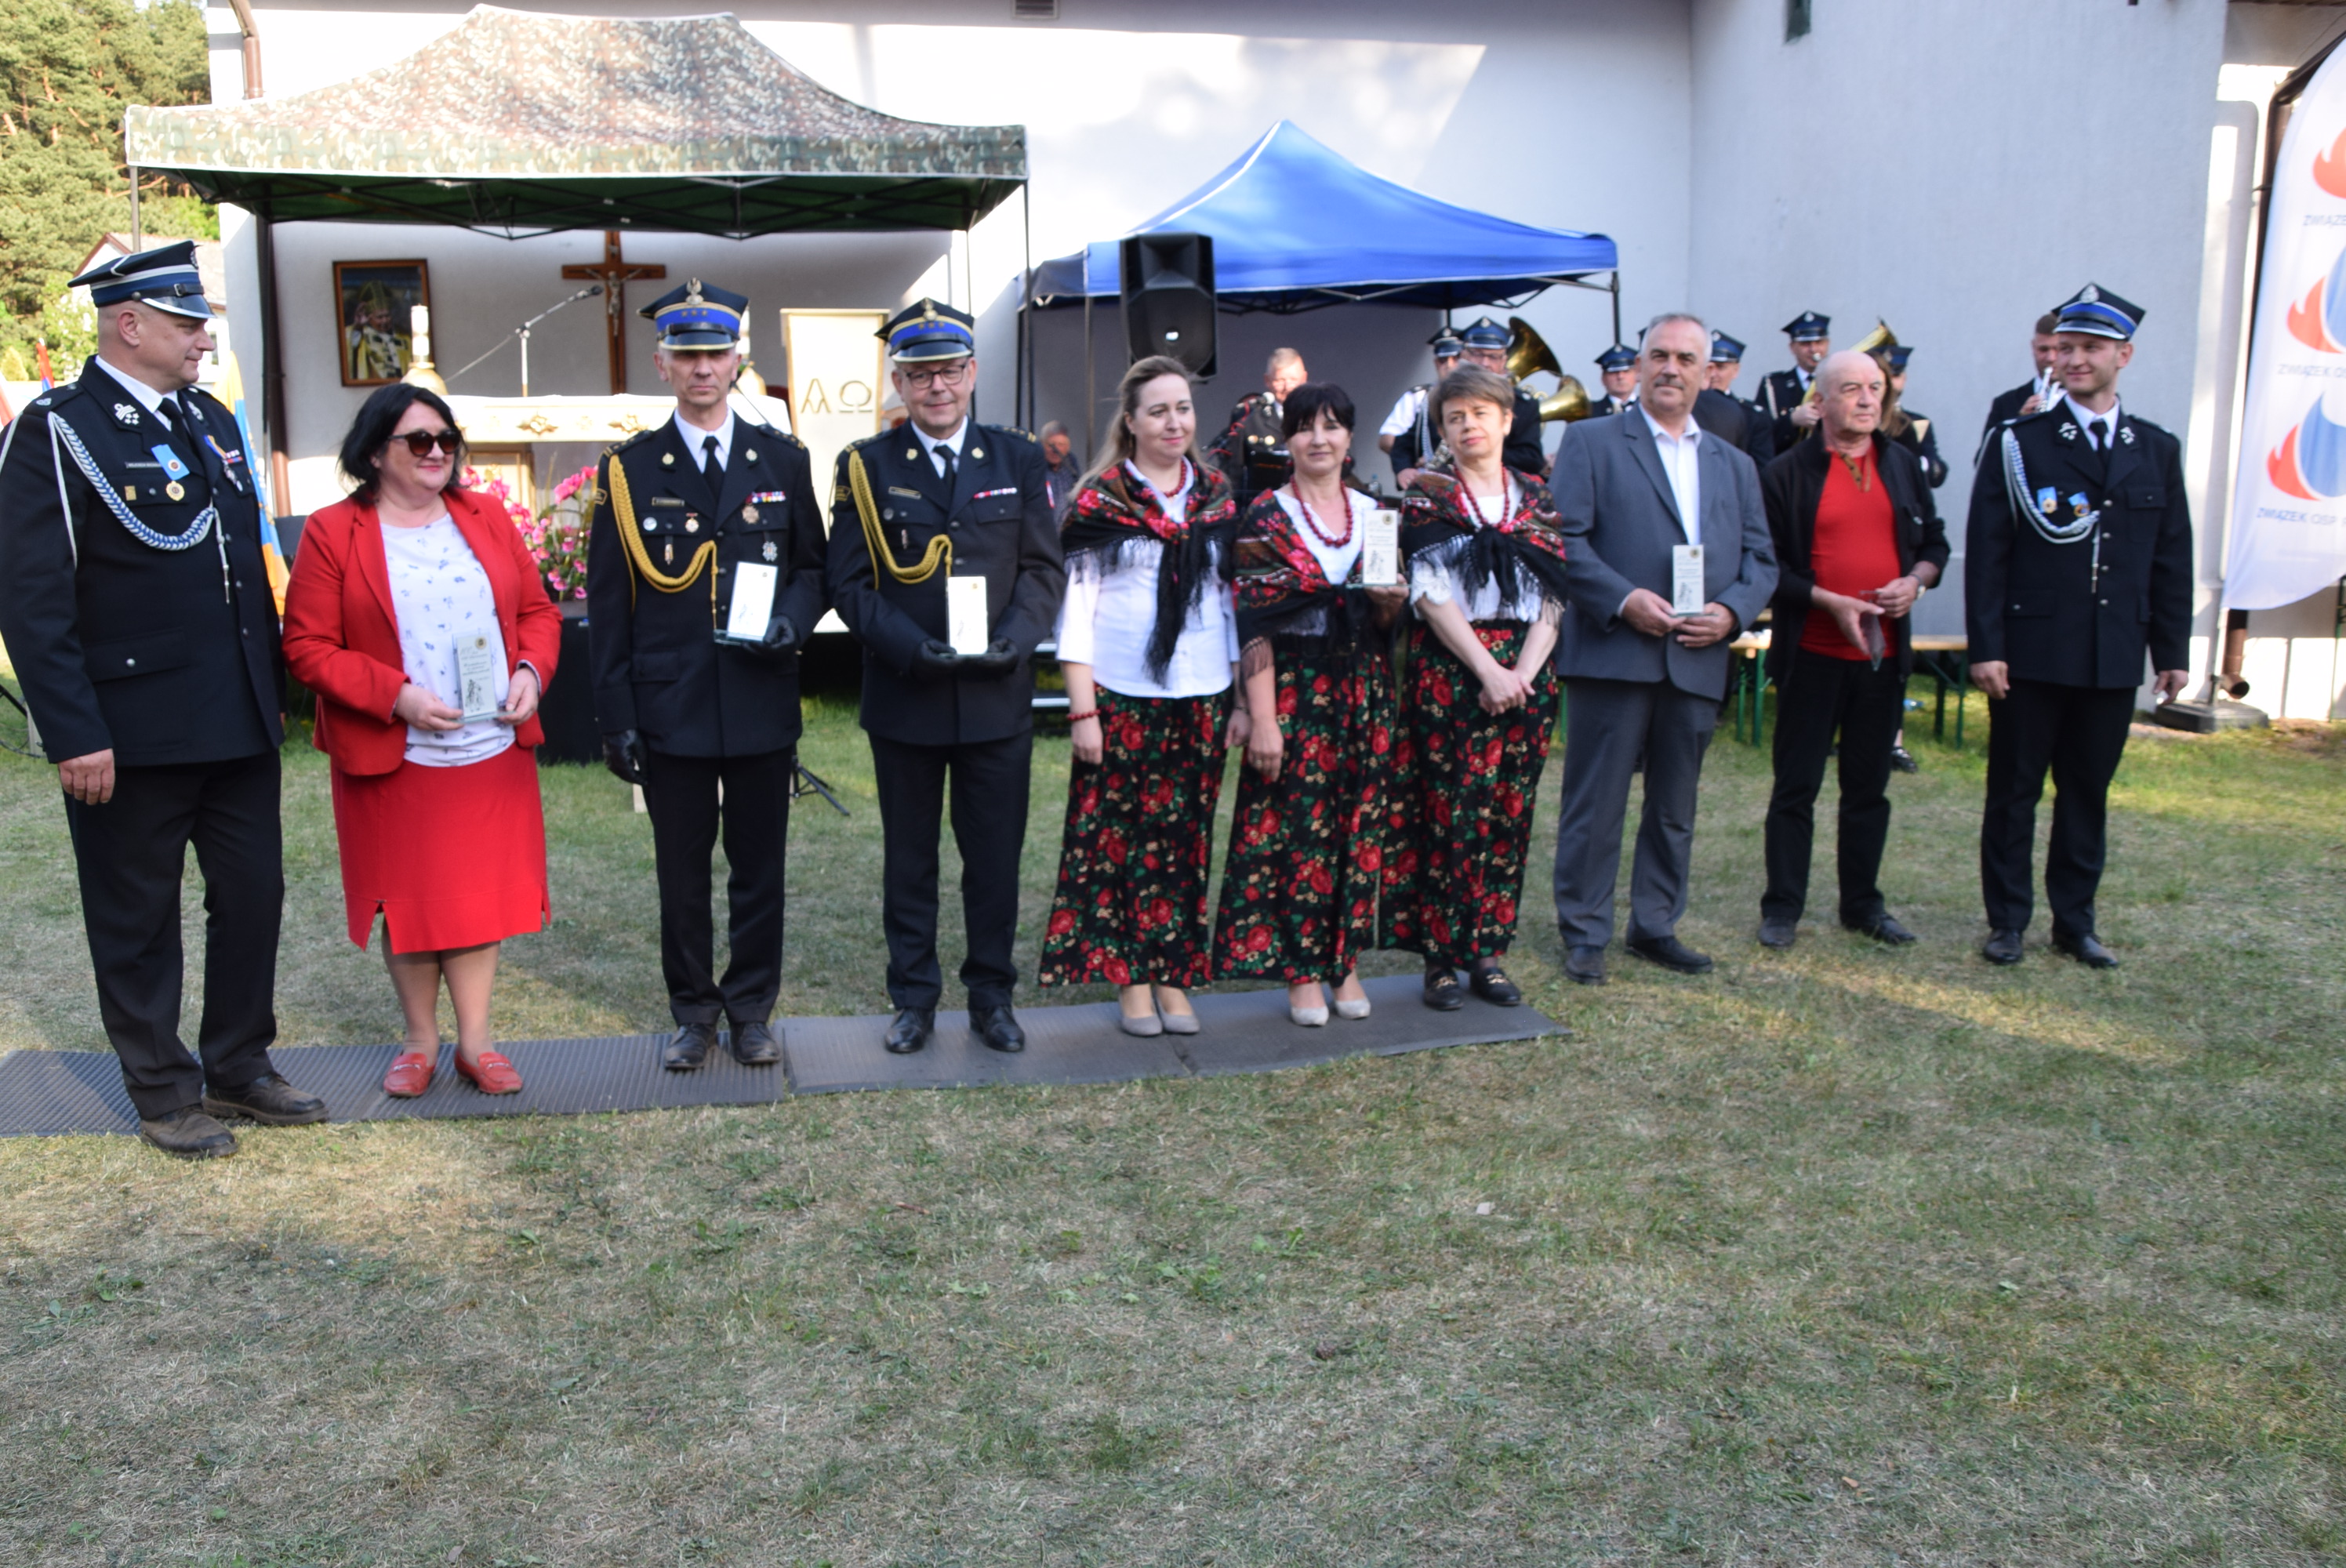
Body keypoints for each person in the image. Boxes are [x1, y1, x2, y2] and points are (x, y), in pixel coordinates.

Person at [0, 241, 324, 1157]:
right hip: (129, 728)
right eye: (187, 322)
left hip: (235, 717)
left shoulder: (208, 418)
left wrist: (272, 693)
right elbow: (32, 596)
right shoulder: (59, 428)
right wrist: (73, 730)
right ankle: (162, 1088)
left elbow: (241, 570)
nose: (202, 338)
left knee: (253, 895)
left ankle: (239, 1062)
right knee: (137, 915)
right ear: (129, 323)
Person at [283, 386, 564, 1097]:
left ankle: (477, 1043)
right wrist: (396, 696)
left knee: (475, 897)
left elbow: (537, 612)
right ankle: (418, 1041)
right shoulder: (332, 531)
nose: (437, 451)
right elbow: (307, 647)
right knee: (408, 899)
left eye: (446, 439)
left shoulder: (487, 515)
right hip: (395, 752)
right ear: (376, 452)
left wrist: (530, 672)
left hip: (488, 744)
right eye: (418, 440)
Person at [586, 279, 828, 1071]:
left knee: (760, 870)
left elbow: (812, 567)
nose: (702, 368)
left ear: (736, 362)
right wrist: (616, 717)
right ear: (662, 364)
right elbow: (610, 602)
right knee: (682, 875)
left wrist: (792, 621)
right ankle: (693, 1012)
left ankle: (751, 1009)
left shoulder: (782, 459)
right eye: (686, 354)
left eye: (716, 354)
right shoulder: (629, 470)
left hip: (759, 696)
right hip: (672, 704)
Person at [827, 299, 1063, 1055]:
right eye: (921, 373)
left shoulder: (1018, 458)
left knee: (993, 860)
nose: (937, 386)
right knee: (911, 861)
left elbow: (1042, 570)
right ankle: (914, 999)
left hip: (996, 696)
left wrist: (1014, 644)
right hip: (908, 695)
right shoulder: (865, 466)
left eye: (950, 371)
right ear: (898, 382)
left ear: (972, 373)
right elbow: (848, 583)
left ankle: (992, 998)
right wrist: (908, 648)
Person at [1548, 313, 1778, 984]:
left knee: (1675, 806)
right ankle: (1585, 931)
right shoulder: (1590, 441)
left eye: (1686, 358)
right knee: (1597, 804)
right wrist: (1624, 600)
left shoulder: (1735, 465)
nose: (1671, 368)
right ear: (1641, 365)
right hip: (1615, 649)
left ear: (1708, 373)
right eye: (1659, 356)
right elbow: (1562, 541)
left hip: (1698, 654)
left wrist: (1731, 613)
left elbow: (1763, 559)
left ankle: (1655, 924)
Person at [1966, 284, 2192, 969]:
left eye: (2090, 348)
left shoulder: (2155, 448)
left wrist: (2171, 650)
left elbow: (2170, 555)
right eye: (2064, 348)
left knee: (2087, 794)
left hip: (2112, 651)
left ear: (2124, 356)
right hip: (2032, 650)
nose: (2074, 360)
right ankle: (2008, 921)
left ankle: (2075, 923)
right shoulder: (2019, 442)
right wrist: (1987, 647)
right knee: (2014, 792)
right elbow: (1989, 552)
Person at [1040, 357, 1244, 1035]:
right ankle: (1131, 979)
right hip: (1121, 695)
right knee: (1121, 841)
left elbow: (1232, 605)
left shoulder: (1217, 498)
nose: (1174, 422)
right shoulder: (1099, 502)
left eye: (1183, 408)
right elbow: (1075, 617)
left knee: (1186, 839)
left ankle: (1174, 975)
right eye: (1158, 411)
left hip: (1203, 691)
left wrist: (1243, 699)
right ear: (1130, 423)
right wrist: (1083, 712)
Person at [1213, 383, 1404, 1025]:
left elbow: (1385, 621)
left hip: (1364, 692)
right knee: (1295, 832)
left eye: (1331, 426)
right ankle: (1300, 972)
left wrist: (1390, 605)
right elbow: (1255, 625)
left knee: (1358, 828)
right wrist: (1264, 719)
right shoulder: (1265, 517)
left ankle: (1343, 963)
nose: (1318, 439)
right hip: (1293, 691)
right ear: (1287, 439)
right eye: (1304, 427)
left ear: (1350, 437)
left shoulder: (1377, 514)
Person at [1385, 365, 1568, 1011]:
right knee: (1449, 814)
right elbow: (1430, 593)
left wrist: (1522, 673)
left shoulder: (1536, 497)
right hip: (1453, 669)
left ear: (1507, 421)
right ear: (1442, 428)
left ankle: (1487, 952)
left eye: (1481, 414)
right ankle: (1439, 958)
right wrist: (1487, 671)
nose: (1469, 426)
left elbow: (1553, 593)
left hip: (1527, 669)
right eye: (1455, 417)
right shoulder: (1429, 496)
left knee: (1508, 814)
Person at [1755, 351, 1948, 951]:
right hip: (1812, 655)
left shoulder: (1904, 465)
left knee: (1868, 789)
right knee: (1796, 788)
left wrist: (1915, 581)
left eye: (1875, 388)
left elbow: (1935, 544)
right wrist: (1827, 601)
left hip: (1881, 660)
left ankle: (1863, 905)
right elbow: (1767, 567)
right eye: (1851, 389)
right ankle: (1782, 907)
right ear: (1821, 401)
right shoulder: (1786, 473)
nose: (1867, 400)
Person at [1208, 347, 1306, 510]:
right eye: (1280, 380)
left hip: (1308, 507)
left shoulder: (1317, 416)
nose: (1287, 387)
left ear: (1304, 379)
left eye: (1293, 380)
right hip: (1263, 509)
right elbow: (1235, 471)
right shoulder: (1250, 416)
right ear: (1267, 381)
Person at [1454, 318, 1552, 476]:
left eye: (1493, 357)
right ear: (1463, 355)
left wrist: (1479, 451)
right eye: (1478, 354)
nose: (1485, 363)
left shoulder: (1523, 405)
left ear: (1503, 361)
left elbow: (1531, 460)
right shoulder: (1443, 397)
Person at [1380, 327, 1465, 488]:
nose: (1449, 365)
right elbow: (1393, 441)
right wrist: (1416, 462)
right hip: (1436, 482)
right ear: (1436, 363)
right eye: (1443, 360)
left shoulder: (1484, 398)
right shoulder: (1424, 399)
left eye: (1456, 358)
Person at [1978, 310, 2065, 455]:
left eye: (2058, 349)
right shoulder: (2005, 404)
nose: (2051, 358)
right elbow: (1984, 460)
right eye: (2043, 349)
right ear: (2033, 348)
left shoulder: (2084, 402)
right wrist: (2018, 425)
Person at [1694, 331, 1776, 466]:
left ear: (1736, 370)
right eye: (1707, 367)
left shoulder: (1753, 416)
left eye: (1720, 367)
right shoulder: (1684, 409)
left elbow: (1760, 469)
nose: (1712, 374)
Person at [1758, 310, 1831, 452]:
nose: (1813, 349)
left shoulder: (1838, 382)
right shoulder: (1773, 385)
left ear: (1827, 344)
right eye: (1805, 344)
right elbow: (1760, 437)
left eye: (1819, 343)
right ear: (1792, 348)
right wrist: (1792, 420)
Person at [1877, 344, 1948, 488]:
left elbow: (1936, 476)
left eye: (1895, 376)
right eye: (1885, 377)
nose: (1890, 383)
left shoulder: (1917, 422)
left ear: (1904, 378)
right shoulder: (1863, 420)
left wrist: (1915, 462)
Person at [1040, 420, 1080, 521]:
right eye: (1051, 445)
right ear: (1041, 445)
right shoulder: (1035, 468)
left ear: (1068, 447)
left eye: (1061, 444)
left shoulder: (1071, 466)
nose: (1056, 450)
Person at [1589, 344, 1639, 418]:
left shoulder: (1651, 408)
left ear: (1637, 375)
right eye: (1614, 372)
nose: (1620, 377)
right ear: (1603, 378)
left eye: (1626, 371)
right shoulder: (1590, 412)